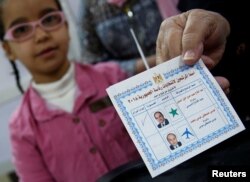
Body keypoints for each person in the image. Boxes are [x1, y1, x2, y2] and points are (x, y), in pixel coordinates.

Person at [0, 1, 230, 180]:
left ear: (67, 26)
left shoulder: (114, 78)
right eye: (20, 30)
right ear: (7, 49)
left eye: (50, 19)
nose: (41, 35)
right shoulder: (22, 130)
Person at [80, 0, 179, 75]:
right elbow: (94, 64)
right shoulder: (91, 6)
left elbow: (186, 23)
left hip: (177, 68)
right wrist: (140, 65)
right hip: (131, 86)